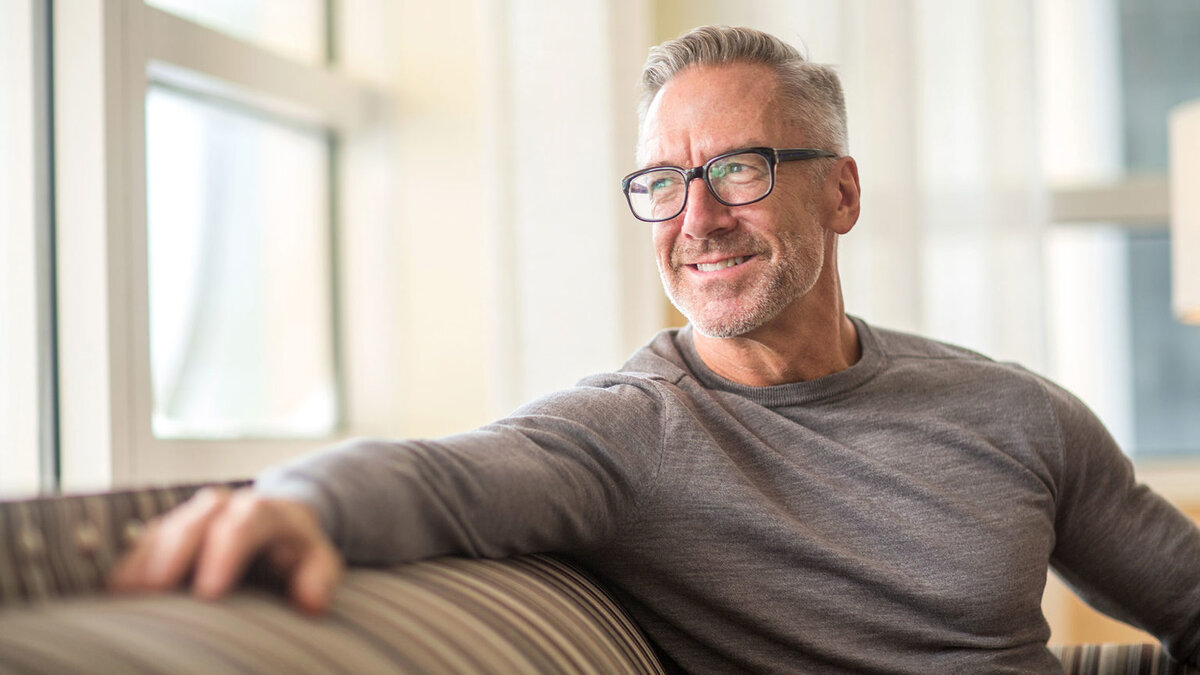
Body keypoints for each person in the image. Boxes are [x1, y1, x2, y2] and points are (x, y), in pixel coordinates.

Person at [110, 25, 1200, 673]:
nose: (697, 218)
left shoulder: (1014, 413)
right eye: (661, 184)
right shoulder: (627, 437)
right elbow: (447, 475)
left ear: (845, 191)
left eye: (738, 169)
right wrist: (298, 505)